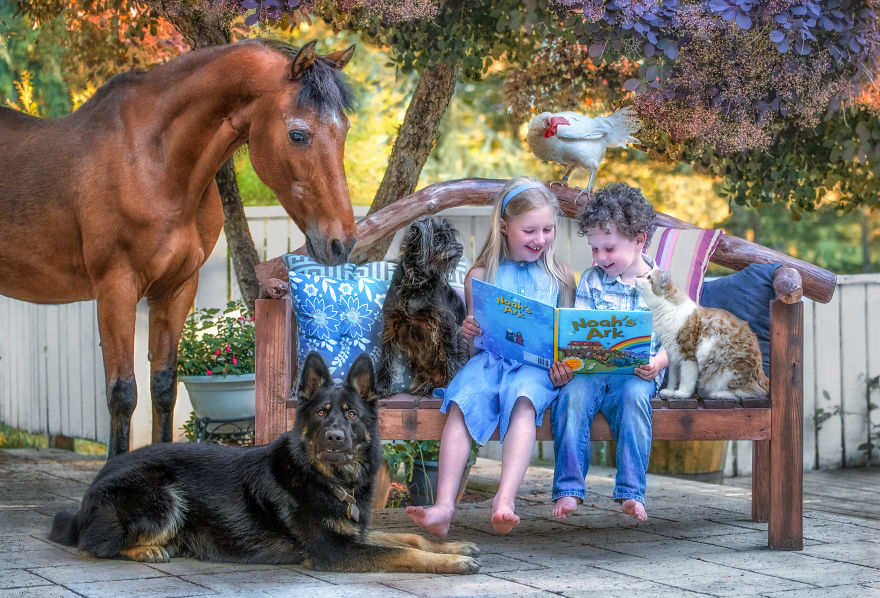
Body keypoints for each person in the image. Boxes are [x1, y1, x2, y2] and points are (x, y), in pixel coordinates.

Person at [406, 177, 575, 537]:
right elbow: (475, 349)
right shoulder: (481, 275)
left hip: (536, 369)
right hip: (490, 363)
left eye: (548, 229)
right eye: (529, 230)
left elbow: (568, 339)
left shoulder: (559, 276)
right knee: (463, 401)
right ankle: (444, 506)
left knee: (524, 402)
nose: (540, 239)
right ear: (504, 227)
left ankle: (504, 501)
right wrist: (469, 333)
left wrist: (565, 369)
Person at [549, 182, 668, 523]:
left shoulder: (660, 284)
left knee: (634, 400)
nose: (601, 259)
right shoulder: (590, 280)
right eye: (595, 249)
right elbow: (579, 334)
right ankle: (569, 488)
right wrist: (568, 362)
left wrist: (657, 363)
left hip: (636, 375)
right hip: (591, 371)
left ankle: (632, 492)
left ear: (639, 240)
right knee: (570, 397)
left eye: (609, 249)